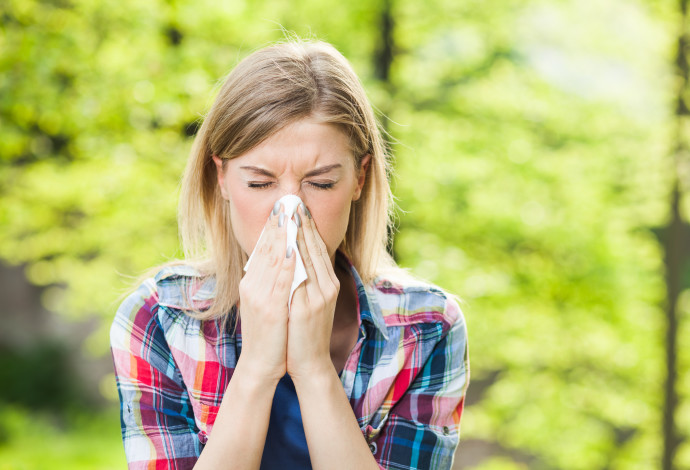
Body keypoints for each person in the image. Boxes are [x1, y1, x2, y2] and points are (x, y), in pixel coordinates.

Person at [110, 38, 470, 470]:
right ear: (221, 177)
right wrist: (259, 367)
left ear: (359, 178)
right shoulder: (159, 318)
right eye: (260, 183)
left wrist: (315, 369)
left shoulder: (428, 327)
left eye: (320, 183)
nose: (291, 211)